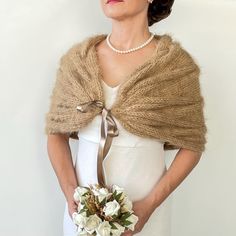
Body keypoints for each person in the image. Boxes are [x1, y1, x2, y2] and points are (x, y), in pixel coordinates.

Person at [46, 0, 205, 235]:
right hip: (81, 218)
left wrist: (149, 206)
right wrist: (71, 195)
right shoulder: (78, 61)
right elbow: (55, 134)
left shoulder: (174, 66)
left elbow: (192, 146)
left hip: (145, 218)